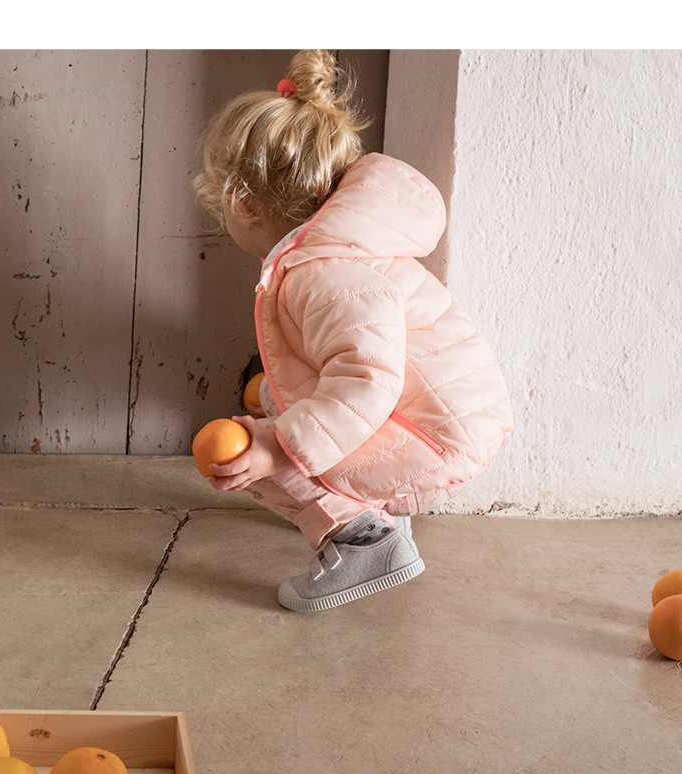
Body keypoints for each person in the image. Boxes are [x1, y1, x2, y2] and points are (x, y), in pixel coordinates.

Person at [193, 50, 513, 612]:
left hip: (436, 440)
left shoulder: (319, 273)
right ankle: (367, 514)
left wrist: (279, 448)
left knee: (250, 451)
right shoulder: (336, 252)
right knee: (275, 401)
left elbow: (368, 379)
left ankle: (364, 540)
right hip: (441, 419)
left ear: (243, 204)